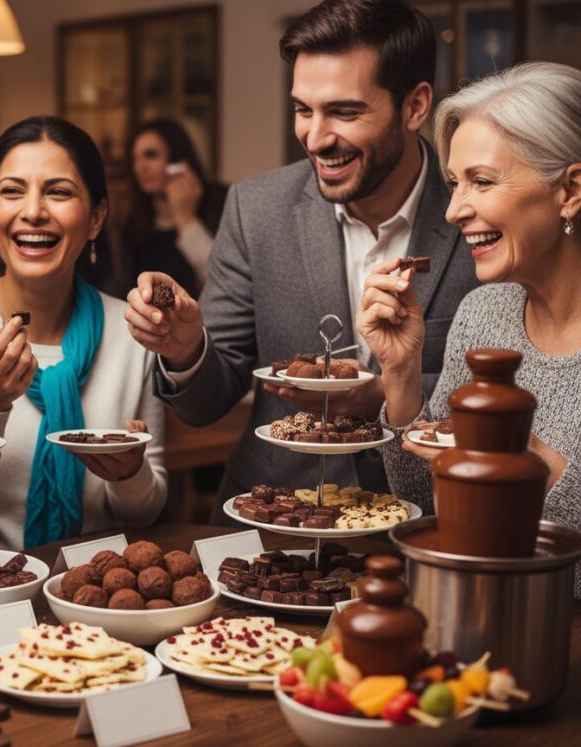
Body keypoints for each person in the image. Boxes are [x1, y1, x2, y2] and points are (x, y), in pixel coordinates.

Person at [124, 0, 478, 518]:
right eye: (303, 110)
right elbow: (204, 404)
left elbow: (516, 395)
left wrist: (384, 393)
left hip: (428, 523)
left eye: (344, 112)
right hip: (274, 517)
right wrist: (185, 350)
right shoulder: (255, 208)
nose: (315, 138)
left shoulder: (477, 216)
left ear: (415, 106)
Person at [356, 62, 581, 592]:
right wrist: (401, 372)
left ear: (570, 190)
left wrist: (526, 454)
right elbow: (427, 509)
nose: (455, 210)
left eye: (481, 181)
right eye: (455, 184)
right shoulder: (483, 314)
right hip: (482, 615)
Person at [0, 116, 167, 549]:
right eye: (12, 191)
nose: (33, 211)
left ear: (96, 218)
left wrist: (129, 473)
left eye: (59, 192)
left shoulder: (132, 331)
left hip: (91, 583)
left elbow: (146, 511)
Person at [122, 118, 228, 297]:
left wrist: (186, 220)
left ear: (177, 161)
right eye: (135, 159)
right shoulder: (134, 224)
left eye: (151, 155)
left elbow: (224, 280)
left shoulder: (219, 203)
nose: (140, 167)